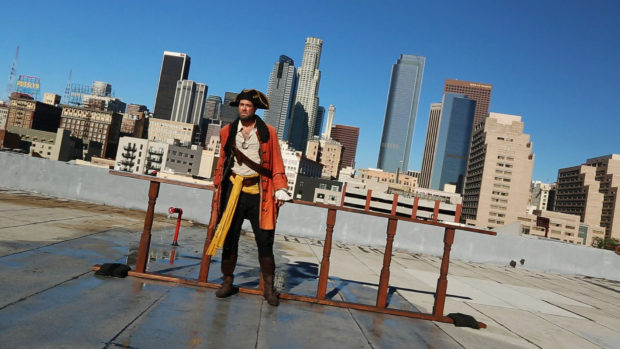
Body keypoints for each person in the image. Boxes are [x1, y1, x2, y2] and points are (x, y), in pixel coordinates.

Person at [207, 89, 290, 306]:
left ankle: (269, 288)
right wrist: (217, 182)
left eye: (248, 106)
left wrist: (280, 187)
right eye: (242, 105)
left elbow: (277, 161)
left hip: (259, 192)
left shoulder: (268, 132)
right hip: (233, 190)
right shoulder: (227, 131)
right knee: (229, 238)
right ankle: (227, 282)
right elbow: (223, 159)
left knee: (264, 241)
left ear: (255, 109)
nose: (244, 108)